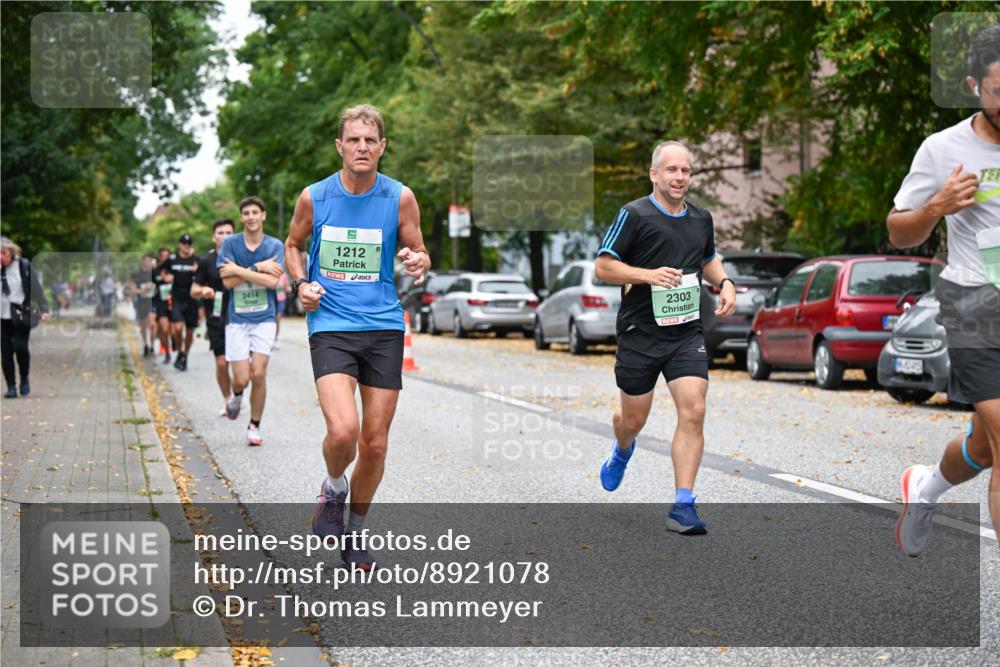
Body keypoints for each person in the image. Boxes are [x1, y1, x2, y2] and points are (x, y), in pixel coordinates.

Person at [285, 104, 430, 570]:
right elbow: (293, 246)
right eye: (354, 140)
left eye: (371, 140)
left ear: (382, 147)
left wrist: (419, 262)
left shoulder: (400, 197)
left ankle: (356, 533)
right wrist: (299, 285)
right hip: (330, 325)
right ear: (340, 146)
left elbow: (418, 248)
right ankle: (333, 488)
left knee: (375, 443)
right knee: (344, 431)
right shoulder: (314, 197)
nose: (362, 147)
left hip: (384, 326)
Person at [889, 24, 1000, 556]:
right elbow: (898, 229)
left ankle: (926, 487)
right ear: (973, 85)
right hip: (975, 303)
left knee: (986, 445)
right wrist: (939, 206)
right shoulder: (943, 149)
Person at [593, 141, 736, 535]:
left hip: (685, 333)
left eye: (686, 171)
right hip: (640, 333)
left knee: (694, 409)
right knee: (633, 419)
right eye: (671, 170)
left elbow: (707, 258)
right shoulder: (634, 215)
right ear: (654, 174)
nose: (679, 178)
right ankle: (622, 449)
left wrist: (723, 282)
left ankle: (683, 504)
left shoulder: (701, 218)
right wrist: (649, 275)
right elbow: (604, 267)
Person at [219, 197, 285, 446]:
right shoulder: (230, 244)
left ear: (263, 215)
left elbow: (271, 282)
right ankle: (236, 396)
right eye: (245, 213)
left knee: (258, 374)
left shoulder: (275, 246)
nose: (250, 216)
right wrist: (259, 267)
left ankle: (254, 426)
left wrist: (239, 270)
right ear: (241, 217)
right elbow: (227, 283)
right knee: (241, 378)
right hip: (237, 320)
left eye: (255, 212)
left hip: (264, 319)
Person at [192, 219, 237, 416]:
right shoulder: (206, 261)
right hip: (216, 315)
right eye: (221, 233)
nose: (225, 236)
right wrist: (204, 290)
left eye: (229, 232)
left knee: (241, 363)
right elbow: (193, 290)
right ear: (214, 237)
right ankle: (228, 400)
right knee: (221, 362)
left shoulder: (242, 256)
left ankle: (239, 393)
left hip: (240, 315)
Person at [1, 237, 50, 398]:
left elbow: (36, 287)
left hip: (21, 314)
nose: (1, 257)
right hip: (2, 316)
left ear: (11, 252)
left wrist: (44, 308)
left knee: (20, 348)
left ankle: (24, 378)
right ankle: (11, 386)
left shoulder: (23, 266)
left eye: (3, 253)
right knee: (6, 351)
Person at [161, 234, 200, 371]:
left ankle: (185, 356)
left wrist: (197, 272)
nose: (186, 245)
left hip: (191, 299)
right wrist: (166, 277)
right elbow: (161, 271)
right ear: (179, 244)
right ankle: (179, 351)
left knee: (189, 331)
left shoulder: (196, 259)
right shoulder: (172, 259)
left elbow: (203, 276)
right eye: (184, 243)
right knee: (177, 328)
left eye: (189, 243)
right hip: (177, 298)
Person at [126, 254, 158, 357]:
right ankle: (145, 345)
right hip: (141, 302)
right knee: (143, 326)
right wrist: (140, 291)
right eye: (147, 260)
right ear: (143, 261)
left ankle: (152, 346)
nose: (148, 262)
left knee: (152, 324)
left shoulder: (155, 271)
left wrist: (153, 286)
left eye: (150, 260)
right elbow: (129, 285)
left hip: (152, 301)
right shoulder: (137, 273)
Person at [152, 247, 173, 363]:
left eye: (167, 256)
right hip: (161, 303)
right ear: (159, 257)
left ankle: (176, 345)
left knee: (174, 330)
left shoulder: (175, 269)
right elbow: (150, 286)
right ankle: (167, 352)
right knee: (164, 329)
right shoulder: (155, 271)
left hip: (175, 302)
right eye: (163, 256)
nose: (165, 258)